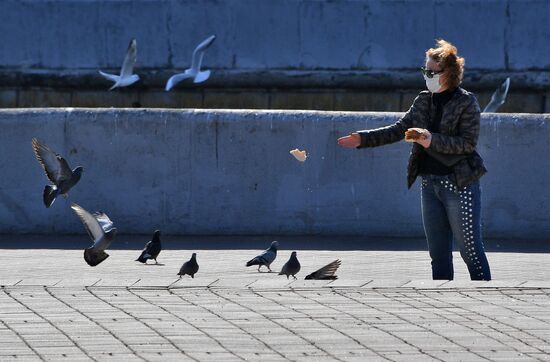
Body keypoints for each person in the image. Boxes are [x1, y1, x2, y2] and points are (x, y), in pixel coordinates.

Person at [337, 39, 491, 281]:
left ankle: (485, 294)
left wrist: (431, 140)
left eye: (431, 72)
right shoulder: (423, 100)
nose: (426, 76)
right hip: (429, 183)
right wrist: (363, 139)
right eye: (424, 70)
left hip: (460, 184)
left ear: (448, 73)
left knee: (470, 250)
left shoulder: (466, 102)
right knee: (438, 253)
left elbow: (467, 143)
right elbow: (400, 129)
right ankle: (441, 299)